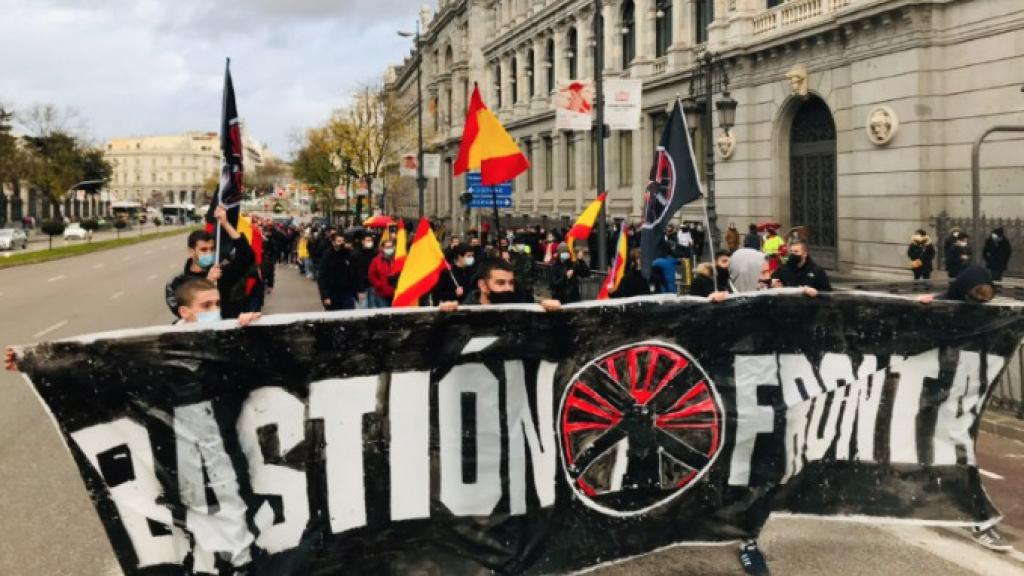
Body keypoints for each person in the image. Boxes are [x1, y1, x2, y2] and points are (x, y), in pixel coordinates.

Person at [165, 205, 255, 320]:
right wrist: (208, 282)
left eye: (212, 249)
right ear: (191, 252)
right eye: (204, 250)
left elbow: (247, 256)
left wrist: (226, 224)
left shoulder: (220, 273)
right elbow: (179, 311)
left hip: (223, 331)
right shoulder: (176, 283)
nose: (209, 253)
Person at [439, 258, 561, 311]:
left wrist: (552, 315)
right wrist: (444, 318)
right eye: (500, 283)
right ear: (483, 285)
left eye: (511, 283)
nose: (508, 288)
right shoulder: (463, 315)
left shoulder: (520, 312)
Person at [318, 233, 358, 311]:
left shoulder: (348, 254)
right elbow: (322, 277)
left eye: (343, 241)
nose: (341, 243)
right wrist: (325, 296)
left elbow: (355, 272)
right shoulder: (327, 256)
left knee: (349, 315)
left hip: (347, 292)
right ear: (333, 243)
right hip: (332, 293)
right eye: (339, 241)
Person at [368, 238, 404, 308]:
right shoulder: (376, 260)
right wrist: (379, 285)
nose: (389, 249)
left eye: (391, 247)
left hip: (396, 293)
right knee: (384, 315)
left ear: (394, 247)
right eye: (387, 247)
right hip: (381, 294)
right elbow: (371, 275)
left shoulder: (398, 259)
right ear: (382, 248)